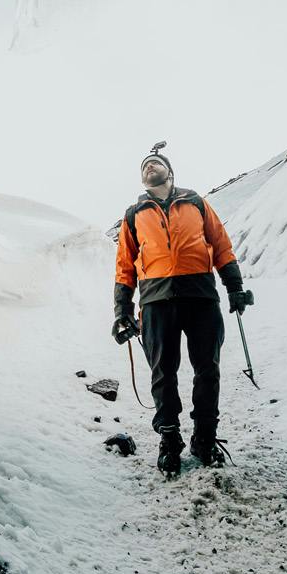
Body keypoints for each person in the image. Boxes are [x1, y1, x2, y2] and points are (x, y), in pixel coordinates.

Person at [112, 142, 253, 478]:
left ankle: (204, 438)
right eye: (145, 166)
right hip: (156, 300)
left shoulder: (196, 203)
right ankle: (170, 439)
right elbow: (124, 268)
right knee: (164, 372)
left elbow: (221, 245)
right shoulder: (134, 215)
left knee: (208, 369)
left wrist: (234, 287)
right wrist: (123, 310)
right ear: (142, 179)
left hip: (201, 296)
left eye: (155, 163)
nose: (150, 168)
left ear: (169, 172)